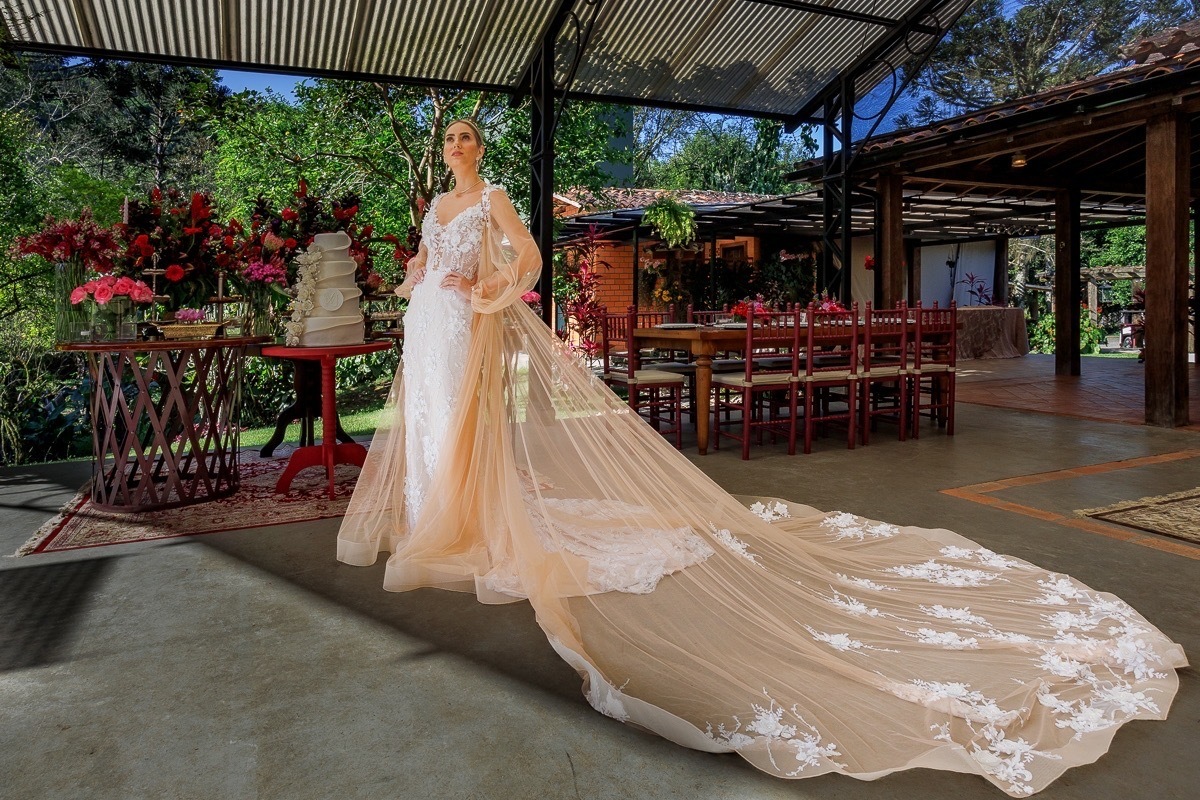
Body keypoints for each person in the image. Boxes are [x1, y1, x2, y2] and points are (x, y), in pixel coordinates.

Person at [337, 120, 1185, 797]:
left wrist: (487, 289)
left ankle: (468, 515)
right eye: (448, 140)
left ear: (480, 149)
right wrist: (418, 281)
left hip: (469, 323)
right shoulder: (435, 208)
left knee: (468, 427)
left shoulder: (493, 197)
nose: (457, 149)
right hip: (431, 329)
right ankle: (439, 514)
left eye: (465, 139)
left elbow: (522, 260)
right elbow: (424, 260)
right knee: (436, 426)